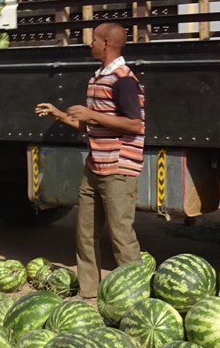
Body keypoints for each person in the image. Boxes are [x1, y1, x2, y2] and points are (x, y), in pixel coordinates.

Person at [35, 23, 145, 300]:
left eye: (93, 39)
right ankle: (88, 294)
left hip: (119, 169)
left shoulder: (124, 80)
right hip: (95, 166)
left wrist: (92, 115)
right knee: (85, 233)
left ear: (106, 43)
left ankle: (134, 297)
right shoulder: (99, 77)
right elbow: (90, 126)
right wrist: (58, 114)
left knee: (121, 235)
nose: (89, 44)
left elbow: (134, 124)